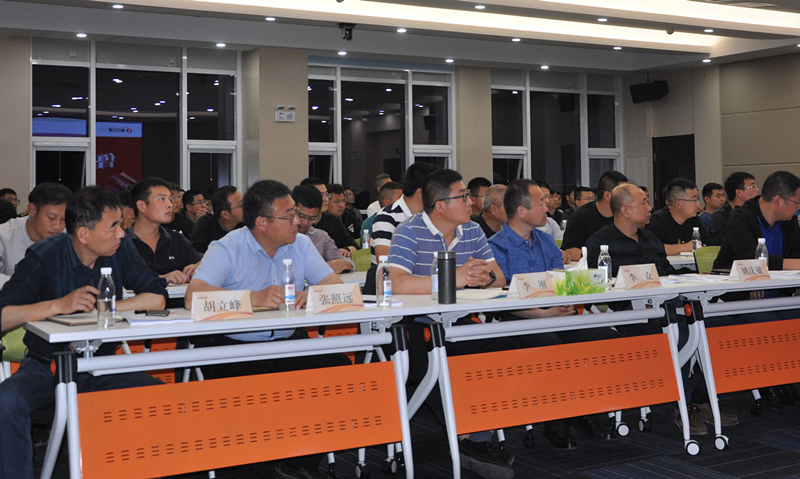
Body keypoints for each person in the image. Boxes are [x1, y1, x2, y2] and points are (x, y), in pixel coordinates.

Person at [184, 179, 350, 479]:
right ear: (262, 222)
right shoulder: (227, 247)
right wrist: (252, 299)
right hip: (235, 347)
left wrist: (312, 295)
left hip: (289, 342)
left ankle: (299, 462)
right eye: (290, 216)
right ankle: (249, 466)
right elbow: (193, 297)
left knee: (337, 370)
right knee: (251, 395)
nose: (298, 222)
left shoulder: (301, 245)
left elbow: (337, 289)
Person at [0, 185, 167, 479]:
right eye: (113, 226)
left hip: (101, 366)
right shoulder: (44, 256)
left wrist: (107, 308)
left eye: (121, 225)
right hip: (47, 367)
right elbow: (3, 315)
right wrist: (58, 305)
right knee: (7, 401)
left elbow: (157, 298)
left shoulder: (121, 249)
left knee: (158, 395)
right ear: (83, 234)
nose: (121, 233)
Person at [389, 169, 513, 479]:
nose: (471, 202)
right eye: (463, 196)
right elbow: (398, 282)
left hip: (459, 321)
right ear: (440, 205)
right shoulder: (408, 231)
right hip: (414, 326)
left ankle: (477, 435)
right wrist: (452, 278)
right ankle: (470, 439)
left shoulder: (472, 230)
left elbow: (498, 276)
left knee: (505, 348)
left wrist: (484, 278)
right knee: (435, 362)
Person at [585, 184, 737, 435]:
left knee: (721, 328)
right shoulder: (601, 243)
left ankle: (700, 397)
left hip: (667, 305)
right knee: (682, 334)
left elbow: (665, 273)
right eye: (643, 203)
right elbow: (601, 288)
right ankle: (683, 405)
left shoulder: (650, 238)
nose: (650, 208)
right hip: (632, 314)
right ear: (625, 210)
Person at [489, 179, 618, 448]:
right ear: (522, 211)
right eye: (540, 203)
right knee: (551, 346)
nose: (547, 207)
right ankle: (556, 419)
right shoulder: (495, 246)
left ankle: (586, 406)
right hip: (520, 317)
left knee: (603, 336)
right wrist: (543, 314)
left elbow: (560, 281)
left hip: (555, 313)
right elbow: (501, 299)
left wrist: (566, 304)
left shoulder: (546, 241)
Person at [366, 162, 439, 294]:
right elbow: (385, 262)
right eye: (439, 190)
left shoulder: (434, 215)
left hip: (428, 288)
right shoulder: (387, 217)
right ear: (421, 193)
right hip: (393, 292)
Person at [128, 177, 200, 286]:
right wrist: (162, 279)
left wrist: (198, 267)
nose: (169, 205)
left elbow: (198, 265)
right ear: (142, 206)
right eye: (162, 199)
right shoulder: (120, 241)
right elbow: (114, 279)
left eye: (170, 199)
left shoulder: (177, 240)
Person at [0, 182, 71, 285]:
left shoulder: (69, 236)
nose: (57, 226)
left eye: (64, 219)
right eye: (51, 218)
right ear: (32, 210)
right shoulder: (4, 235)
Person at [561, 171, 628, 262]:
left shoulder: (625, 215)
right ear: (607, 196)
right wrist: (599, 255)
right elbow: (568, 251)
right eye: (623, 194)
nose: (627, 198)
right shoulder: (581, 217)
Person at [292, 184, 355, 274]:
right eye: (301, 216)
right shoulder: (279, 235)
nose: (305, 222)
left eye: (312, 218)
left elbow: (344, 262)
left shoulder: (321, 236)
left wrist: (345, 264)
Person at [645, 178, 713, 253]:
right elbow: (650, 248)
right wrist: (685, 247)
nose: (698, 204)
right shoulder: (658, 221)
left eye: (698, 199)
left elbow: (709, 245)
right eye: (694, 200)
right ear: (679, 204)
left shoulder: (694, 219)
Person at [300, 178, 358, 252]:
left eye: (327, 194)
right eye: (320, 195)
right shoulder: (299, 223)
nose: (326, 199)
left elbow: (353, 245)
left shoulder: (332, 220)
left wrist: (346, 250)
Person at [709, 171, 758, 246]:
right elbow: (723, 244)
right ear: (739, 192)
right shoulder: (720, 216)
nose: (757, 190)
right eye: (753, 186)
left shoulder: (754, 212)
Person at [191, 185, 244, 253]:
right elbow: (196, 254)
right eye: (241, 205)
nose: (246, 207)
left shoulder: (248, 225)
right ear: (226, 214)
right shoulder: (205, 224)